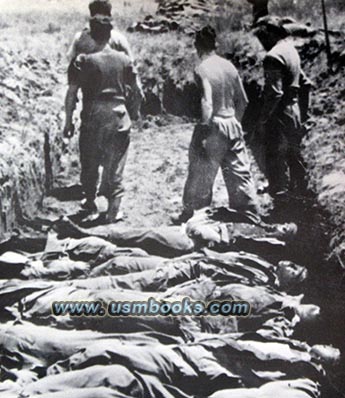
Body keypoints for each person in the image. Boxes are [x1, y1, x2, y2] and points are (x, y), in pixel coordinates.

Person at [62, 0, 142, 213]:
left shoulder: (82, 43)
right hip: (116, 108)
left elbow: (72, 84)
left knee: (90, 156)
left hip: (92, 106)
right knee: (113, 158)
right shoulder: (119, 43)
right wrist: (133, 110)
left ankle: (91, 198)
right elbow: (134, 78)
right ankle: (111, 203)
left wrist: (68, 119)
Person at [174, 26, 260, 224]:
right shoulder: (229, 66)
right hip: (232, 121)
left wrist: (205, 129)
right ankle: (248, 215)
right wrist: (234, 123)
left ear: (197, 46)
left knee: (201, 172)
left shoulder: (202, 68)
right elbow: (244, 101)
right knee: (240, 174)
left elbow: (207, 101)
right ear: (215, 44)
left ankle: (193, 216)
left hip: (214, 124)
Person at [253, 16, 310, 197]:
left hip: (279, 115)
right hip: (294, 111)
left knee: (274, 158)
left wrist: (263, 119)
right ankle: (301, 199)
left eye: (262, 37)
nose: (262, 42)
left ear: (270, 33)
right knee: (294, 156)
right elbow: (306, 84)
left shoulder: (273, 56)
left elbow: (275, 93)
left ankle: (281, 202)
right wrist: (305, 114)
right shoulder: (290, 50)